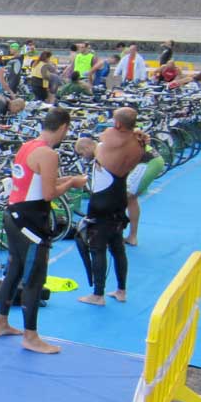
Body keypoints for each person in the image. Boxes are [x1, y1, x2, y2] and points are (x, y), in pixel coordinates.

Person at [0, 108, 87, 354]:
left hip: (14, 214)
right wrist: (72, 183)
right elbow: (49, 193)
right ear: (64, 128)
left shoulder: (28, 146)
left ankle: (1, 323)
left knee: (14, 269)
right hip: (31, 221)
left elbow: (36, 182)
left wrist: (64, 180)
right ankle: (31, 336)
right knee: (34, 277)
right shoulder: (48, 153)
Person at [74, 108, 145, 306]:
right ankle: (121, 290)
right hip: (119, 192)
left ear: (118, 124)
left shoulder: (113, 137)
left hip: (102, 199)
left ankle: (98, 294)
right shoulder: (138, 143)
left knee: (97, 248)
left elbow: (99, 139)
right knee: (117, 247)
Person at [124, 142, 165, 247]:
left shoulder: (106, 149)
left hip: (148, 162)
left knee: (128, 197)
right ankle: (131, 236)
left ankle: (129, 236)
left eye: (82, 154)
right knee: (131, 199)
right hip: (152, 160)